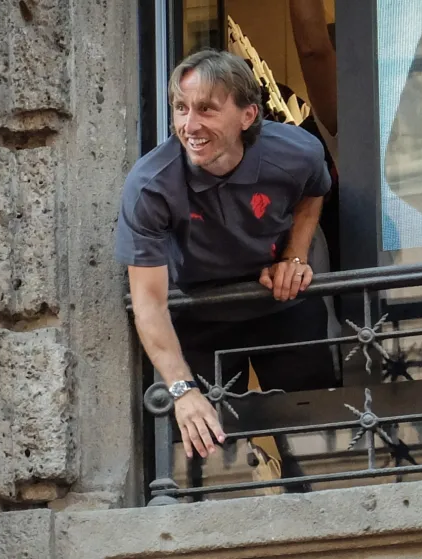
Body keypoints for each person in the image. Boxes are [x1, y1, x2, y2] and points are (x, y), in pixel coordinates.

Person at [115, 49, 339, 462]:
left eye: (206, 109)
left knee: (318, 437)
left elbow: (314, 190)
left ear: (248, 116)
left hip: (279, 303)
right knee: (203, 454)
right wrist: (182, 391)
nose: (189, 125)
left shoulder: (297, 152)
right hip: (198, 311)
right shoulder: (150, 185)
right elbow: (147, 302)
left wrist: (294, 256)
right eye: (181, 109)